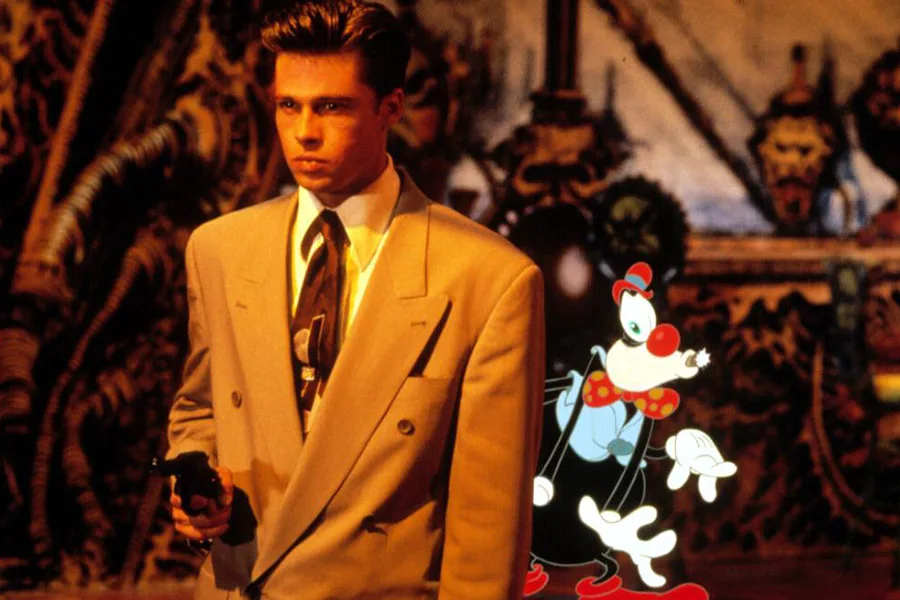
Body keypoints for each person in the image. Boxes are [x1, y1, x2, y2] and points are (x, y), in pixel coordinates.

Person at [166, 1, 545, 598]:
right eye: (288, 106)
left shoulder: (489, 278)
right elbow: (201, 409)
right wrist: (196, 485)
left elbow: (487, 534)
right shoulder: (218, 251)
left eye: (332, 107)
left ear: (390, 108)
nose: (304, 132)